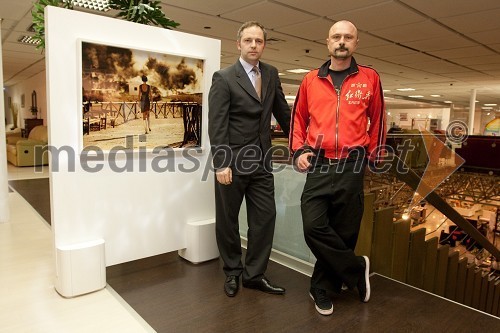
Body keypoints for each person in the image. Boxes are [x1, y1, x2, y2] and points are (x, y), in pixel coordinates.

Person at [289, 20, 386, 315]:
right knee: (313, 225)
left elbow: (379, 118)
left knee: (344, 231)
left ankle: (321, 287)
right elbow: (298, 119)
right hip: (318, 161)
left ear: (356, 43)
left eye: (348, 37)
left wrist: (374, 157)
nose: (341, 41)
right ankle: (357, 269)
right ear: (327, 42)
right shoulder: (310, 80)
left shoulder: (369, 78)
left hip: (352, 163)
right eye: (336, 37)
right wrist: (297, 152)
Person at [208, 21, 291, 297]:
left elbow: (283, 113)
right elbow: (216, 123)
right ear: (239, 44)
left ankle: (254, 274)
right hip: (231, 163)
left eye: (259, 41)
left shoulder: (271, 73)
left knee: (265, 218)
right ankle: (232, 272)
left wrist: (301, 143)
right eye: (248, 41)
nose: (254, 45)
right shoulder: (224, 77)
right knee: (228, 220)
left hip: (262, 163)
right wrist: (221, 162)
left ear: (264, 45)